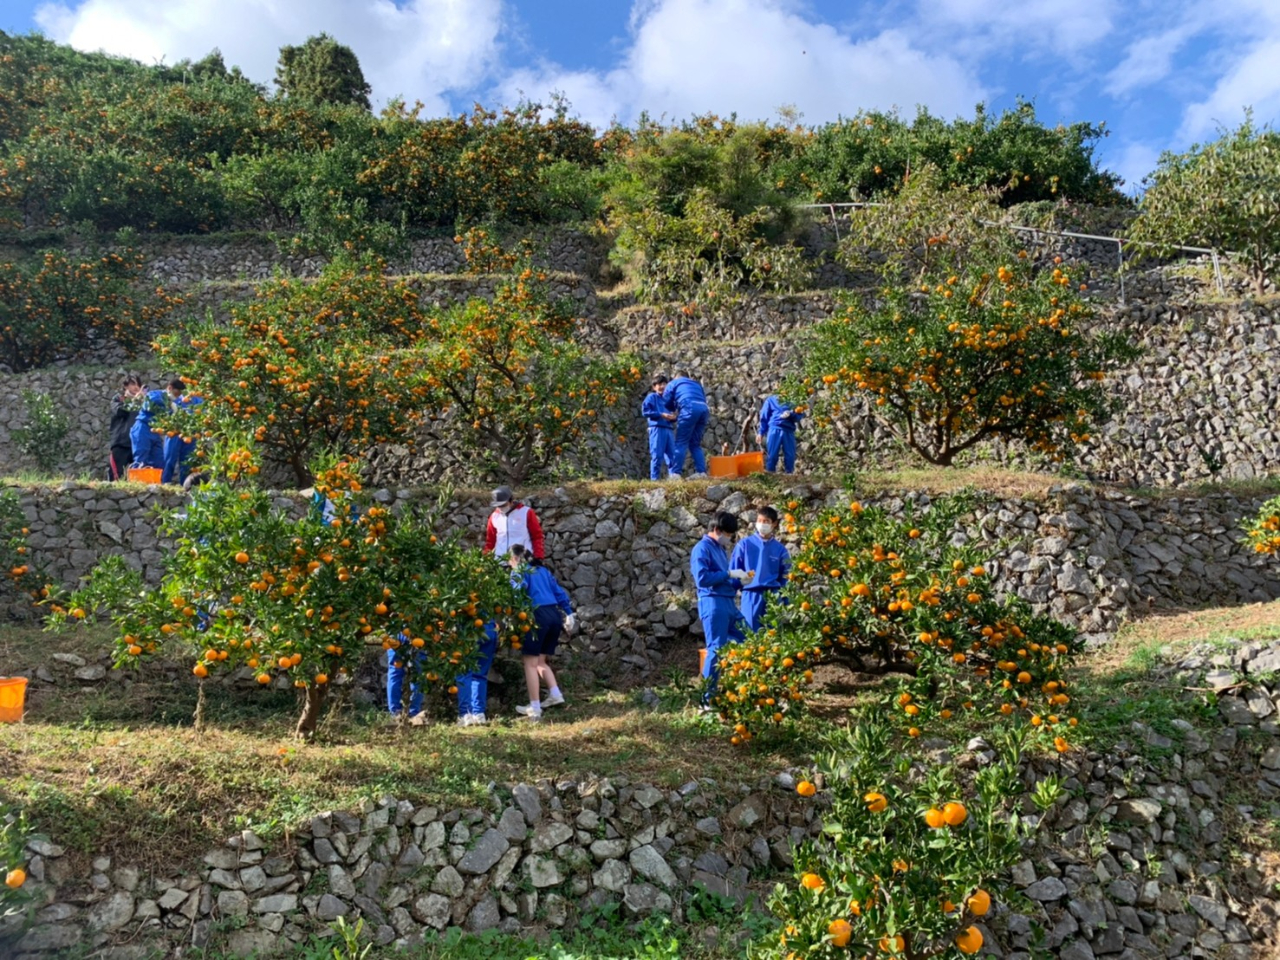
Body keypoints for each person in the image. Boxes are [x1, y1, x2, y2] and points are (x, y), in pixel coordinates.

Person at [691, 511, 751, 707]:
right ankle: (706, 701)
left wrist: (740, 581)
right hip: (712, 602)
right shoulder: (702, 549)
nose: (729, 538)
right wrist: (728, 574)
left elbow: (725, 581)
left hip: (728, 602)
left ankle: (752, 690)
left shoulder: (719, 549)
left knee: (750, 639)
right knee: (715, 649)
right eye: (728, 534)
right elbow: (702, 579)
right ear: (716, 530)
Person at [509, 544, 574, 720]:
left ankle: (535, 707)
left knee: (529, 663)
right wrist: (569, 613)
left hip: (537, 615)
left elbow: (517, 592)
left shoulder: (520, 570)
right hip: (554, 615)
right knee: (540, 661)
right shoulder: (543, 571)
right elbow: (558, 591)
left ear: (515, 558)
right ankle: (555, 694)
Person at [730, 505, 791, 631]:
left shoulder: (780, 550)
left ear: (774, 524)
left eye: (766, 521)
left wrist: (786, 601)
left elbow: (786, 576)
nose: (762, 524)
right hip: (751, 594)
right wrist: (730, 595)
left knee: (774, 634)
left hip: (773, 596)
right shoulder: (744, 545)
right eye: (759, 520)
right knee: (750, 633)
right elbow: (734, 572)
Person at [663, 373, 710, 480]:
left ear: (676, 376)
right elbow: (703, 398)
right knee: (695, 444)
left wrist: (671, 410)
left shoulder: (674, 382)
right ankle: (702, 472)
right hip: (704, 409)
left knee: (681, 442)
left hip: (689, 407)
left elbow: (666, 400)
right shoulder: (696, 384)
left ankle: (675, 474)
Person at [456, 621, 499, 727]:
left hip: (468, 629)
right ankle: (479, 714)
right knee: (480, 674)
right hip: (489, 629)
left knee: (464, 673)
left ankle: (466, 714)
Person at [483, 486, 545, 559]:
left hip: (522, 560)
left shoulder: (526, 512)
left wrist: (538, 556)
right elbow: (490, 541)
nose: (501, 508)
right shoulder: (494, 516)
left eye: (503, 505)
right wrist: (486, 557)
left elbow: (537, 536)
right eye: (498, 506)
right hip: (500, 561)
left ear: (511, 500)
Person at [161, 382, 203, 486]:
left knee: (187, 462)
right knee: (169, 458)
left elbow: (202, 412)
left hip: (191, 433)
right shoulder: (173, 397)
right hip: (174, 432)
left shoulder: (197, 399)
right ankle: (165, 482)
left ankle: (185, 485)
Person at [757, 394, 805, 474]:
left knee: (790, 456)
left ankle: (789, 475)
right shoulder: (771, 400)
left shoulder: (793, 400)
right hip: (774, 429)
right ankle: (770, 475)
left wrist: (790, 414)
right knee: (772, 455)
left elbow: (799, 415)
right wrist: (761, 432)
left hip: (788, 430)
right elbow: (764, 417)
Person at [642, 375, 677, 480]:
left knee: (672, 457)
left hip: (668, 429)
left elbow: (673, 414)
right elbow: (645, 411)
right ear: (654, 387)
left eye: (664, 384)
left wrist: (673, 417)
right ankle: (654, 480)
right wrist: (661, 415)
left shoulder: (669, 400)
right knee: (657, 456)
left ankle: (674, 479)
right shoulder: (652, 397)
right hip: (656, 428)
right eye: (659, 384)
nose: (662, 386)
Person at [108, 375, 143, 481]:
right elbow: (120, 411)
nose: (136, 387)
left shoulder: (144, 401)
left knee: (139, 477)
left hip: (138, 443)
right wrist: (133, 400)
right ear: (125, 386)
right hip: (121, 442)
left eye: (138, 385)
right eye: (132, 384)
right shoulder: (118, 399)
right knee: (116, 476)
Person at [129, 383, 170, 469]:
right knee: (141, 461)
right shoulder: (156, 394)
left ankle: (157, 478)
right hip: (143, 427)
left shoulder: (173, 402)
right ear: (170, 388)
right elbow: (152, 400)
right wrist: (167, 402)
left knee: (159, 462)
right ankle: (137, 477)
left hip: (154, 430)